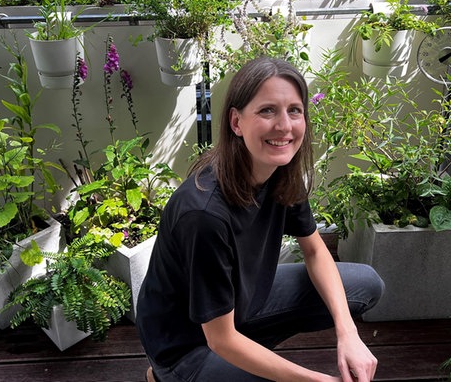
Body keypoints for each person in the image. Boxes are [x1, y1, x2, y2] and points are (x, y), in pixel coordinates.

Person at [136, 56, 385, 382]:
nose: (284, 126)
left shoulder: (281, 173)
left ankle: (237, 358)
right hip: (186, 344)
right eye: (267, 110)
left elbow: (314, 251)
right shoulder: (203, 214)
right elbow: (220, 339)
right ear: (236, 123)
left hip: (237, 308)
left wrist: (348, 334)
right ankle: (168, 376)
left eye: (294, 110)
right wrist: (317, 381)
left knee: (365, 284)